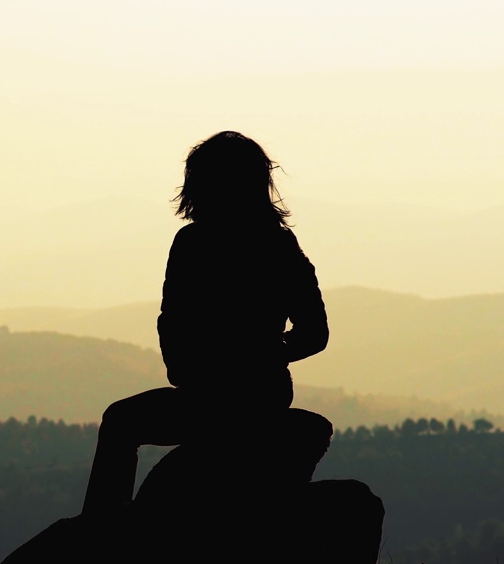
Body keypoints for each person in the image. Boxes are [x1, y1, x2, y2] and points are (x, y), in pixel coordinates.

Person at [81, 131, 329, 514]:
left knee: (120, 422)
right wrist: (268, 354)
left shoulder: (194, 243)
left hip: (220, 394)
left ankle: (100, 532)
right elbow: (314, 334)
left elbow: (171, 319)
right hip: (260, 393)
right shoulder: (277, 246)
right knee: (121, 421)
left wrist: (193, 366)